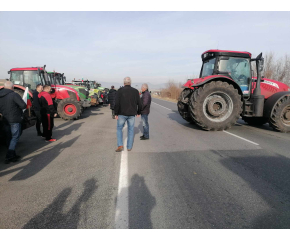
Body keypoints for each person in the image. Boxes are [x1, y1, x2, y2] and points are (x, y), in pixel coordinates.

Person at [0, 81, 26, 164]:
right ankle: (9, 156)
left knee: (9, 137)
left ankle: (13, 155)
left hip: (5, 119)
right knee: (15, 137)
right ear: (12, 87)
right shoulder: (14, 95)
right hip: (14, 119)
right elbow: (23, 105)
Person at [114, 77, 142, 152]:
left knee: (119, 129)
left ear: (124, 83)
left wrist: (115, 113)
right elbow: (139, 103)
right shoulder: (135, 91)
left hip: (121, 113)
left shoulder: (120, 91)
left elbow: (117, 103)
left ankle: (120, 145)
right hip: (132, 114)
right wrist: (138, 112)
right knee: (131, 130)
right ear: (130, 82)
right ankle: (129, 147)